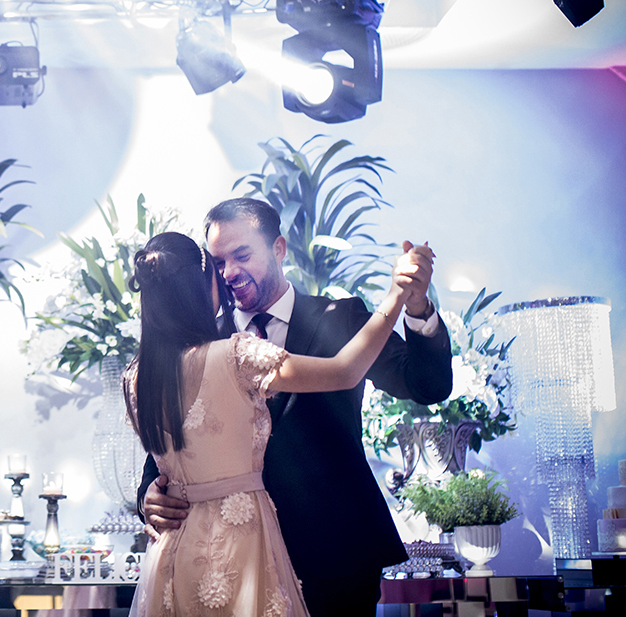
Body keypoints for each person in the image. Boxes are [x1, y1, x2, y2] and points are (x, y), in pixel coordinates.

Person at [138, 199, 453, 617]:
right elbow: (171, 444)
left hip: (336, 558)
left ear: (279, 248)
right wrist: (150, 493)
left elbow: (427, 385)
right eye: (218, 263)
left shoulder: (341, 317)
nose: (229, 272)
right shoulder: (201, 344)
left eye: (242, 255)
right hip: (234, 566)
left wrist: (415, 307)